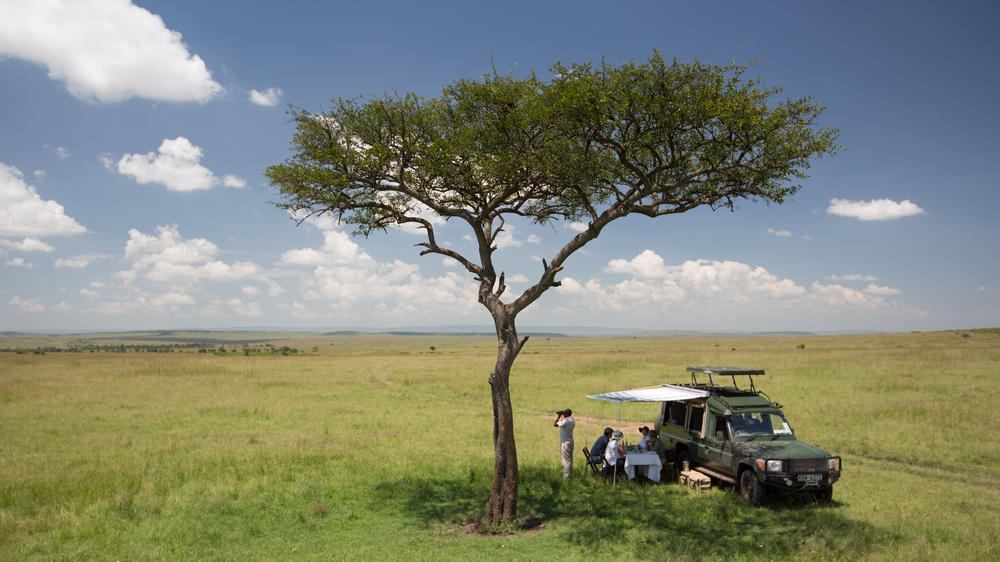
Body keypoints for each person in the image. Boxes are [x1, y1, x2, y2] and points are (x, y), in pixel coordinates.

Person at [554, 409, 575, 480]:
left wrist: (559, 416)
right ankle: (570, 476)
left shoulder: (566, 421)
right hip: (570, 442)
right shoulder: (572, 420)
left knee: (566, 462)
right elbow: (565, 419)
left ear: (566, 414)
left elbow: (555, 424)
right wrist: (563, 414)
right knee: (570, 460)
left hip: (565, 444)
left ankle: (566, 479)